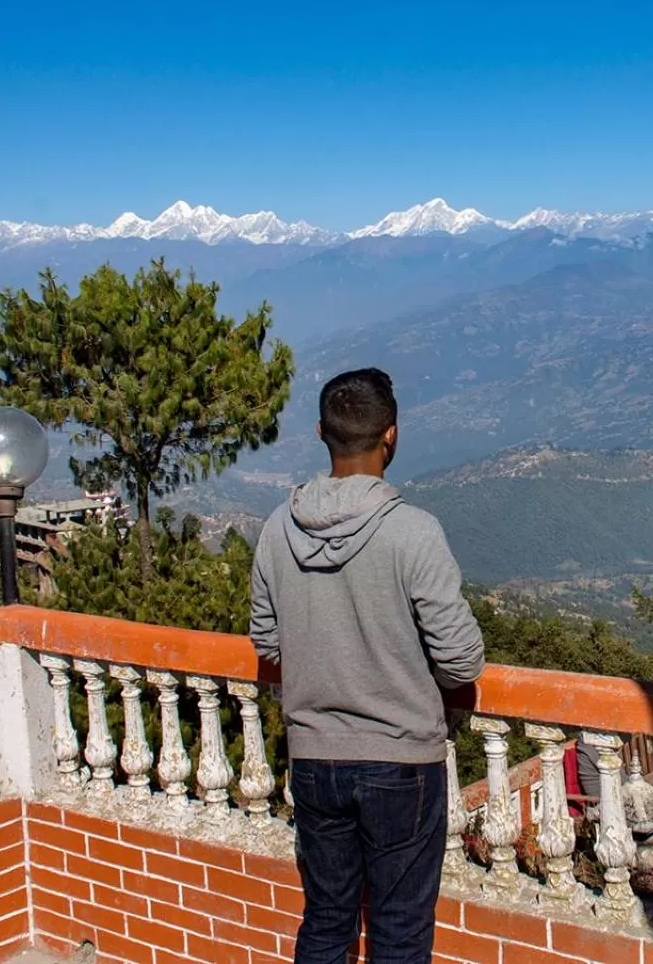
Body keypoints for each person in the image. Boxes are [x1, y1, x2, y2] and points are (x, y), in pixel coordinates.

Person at [249, 367, 486, 964]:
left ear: (322, 433)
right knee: (400, 932)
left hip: (314, 758)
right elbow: (460, 661)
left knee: (326, 920)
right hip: (400, 759)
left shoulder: (277, 530)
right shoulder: (413, 533)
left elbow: (268, 644)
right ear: (392, 436)